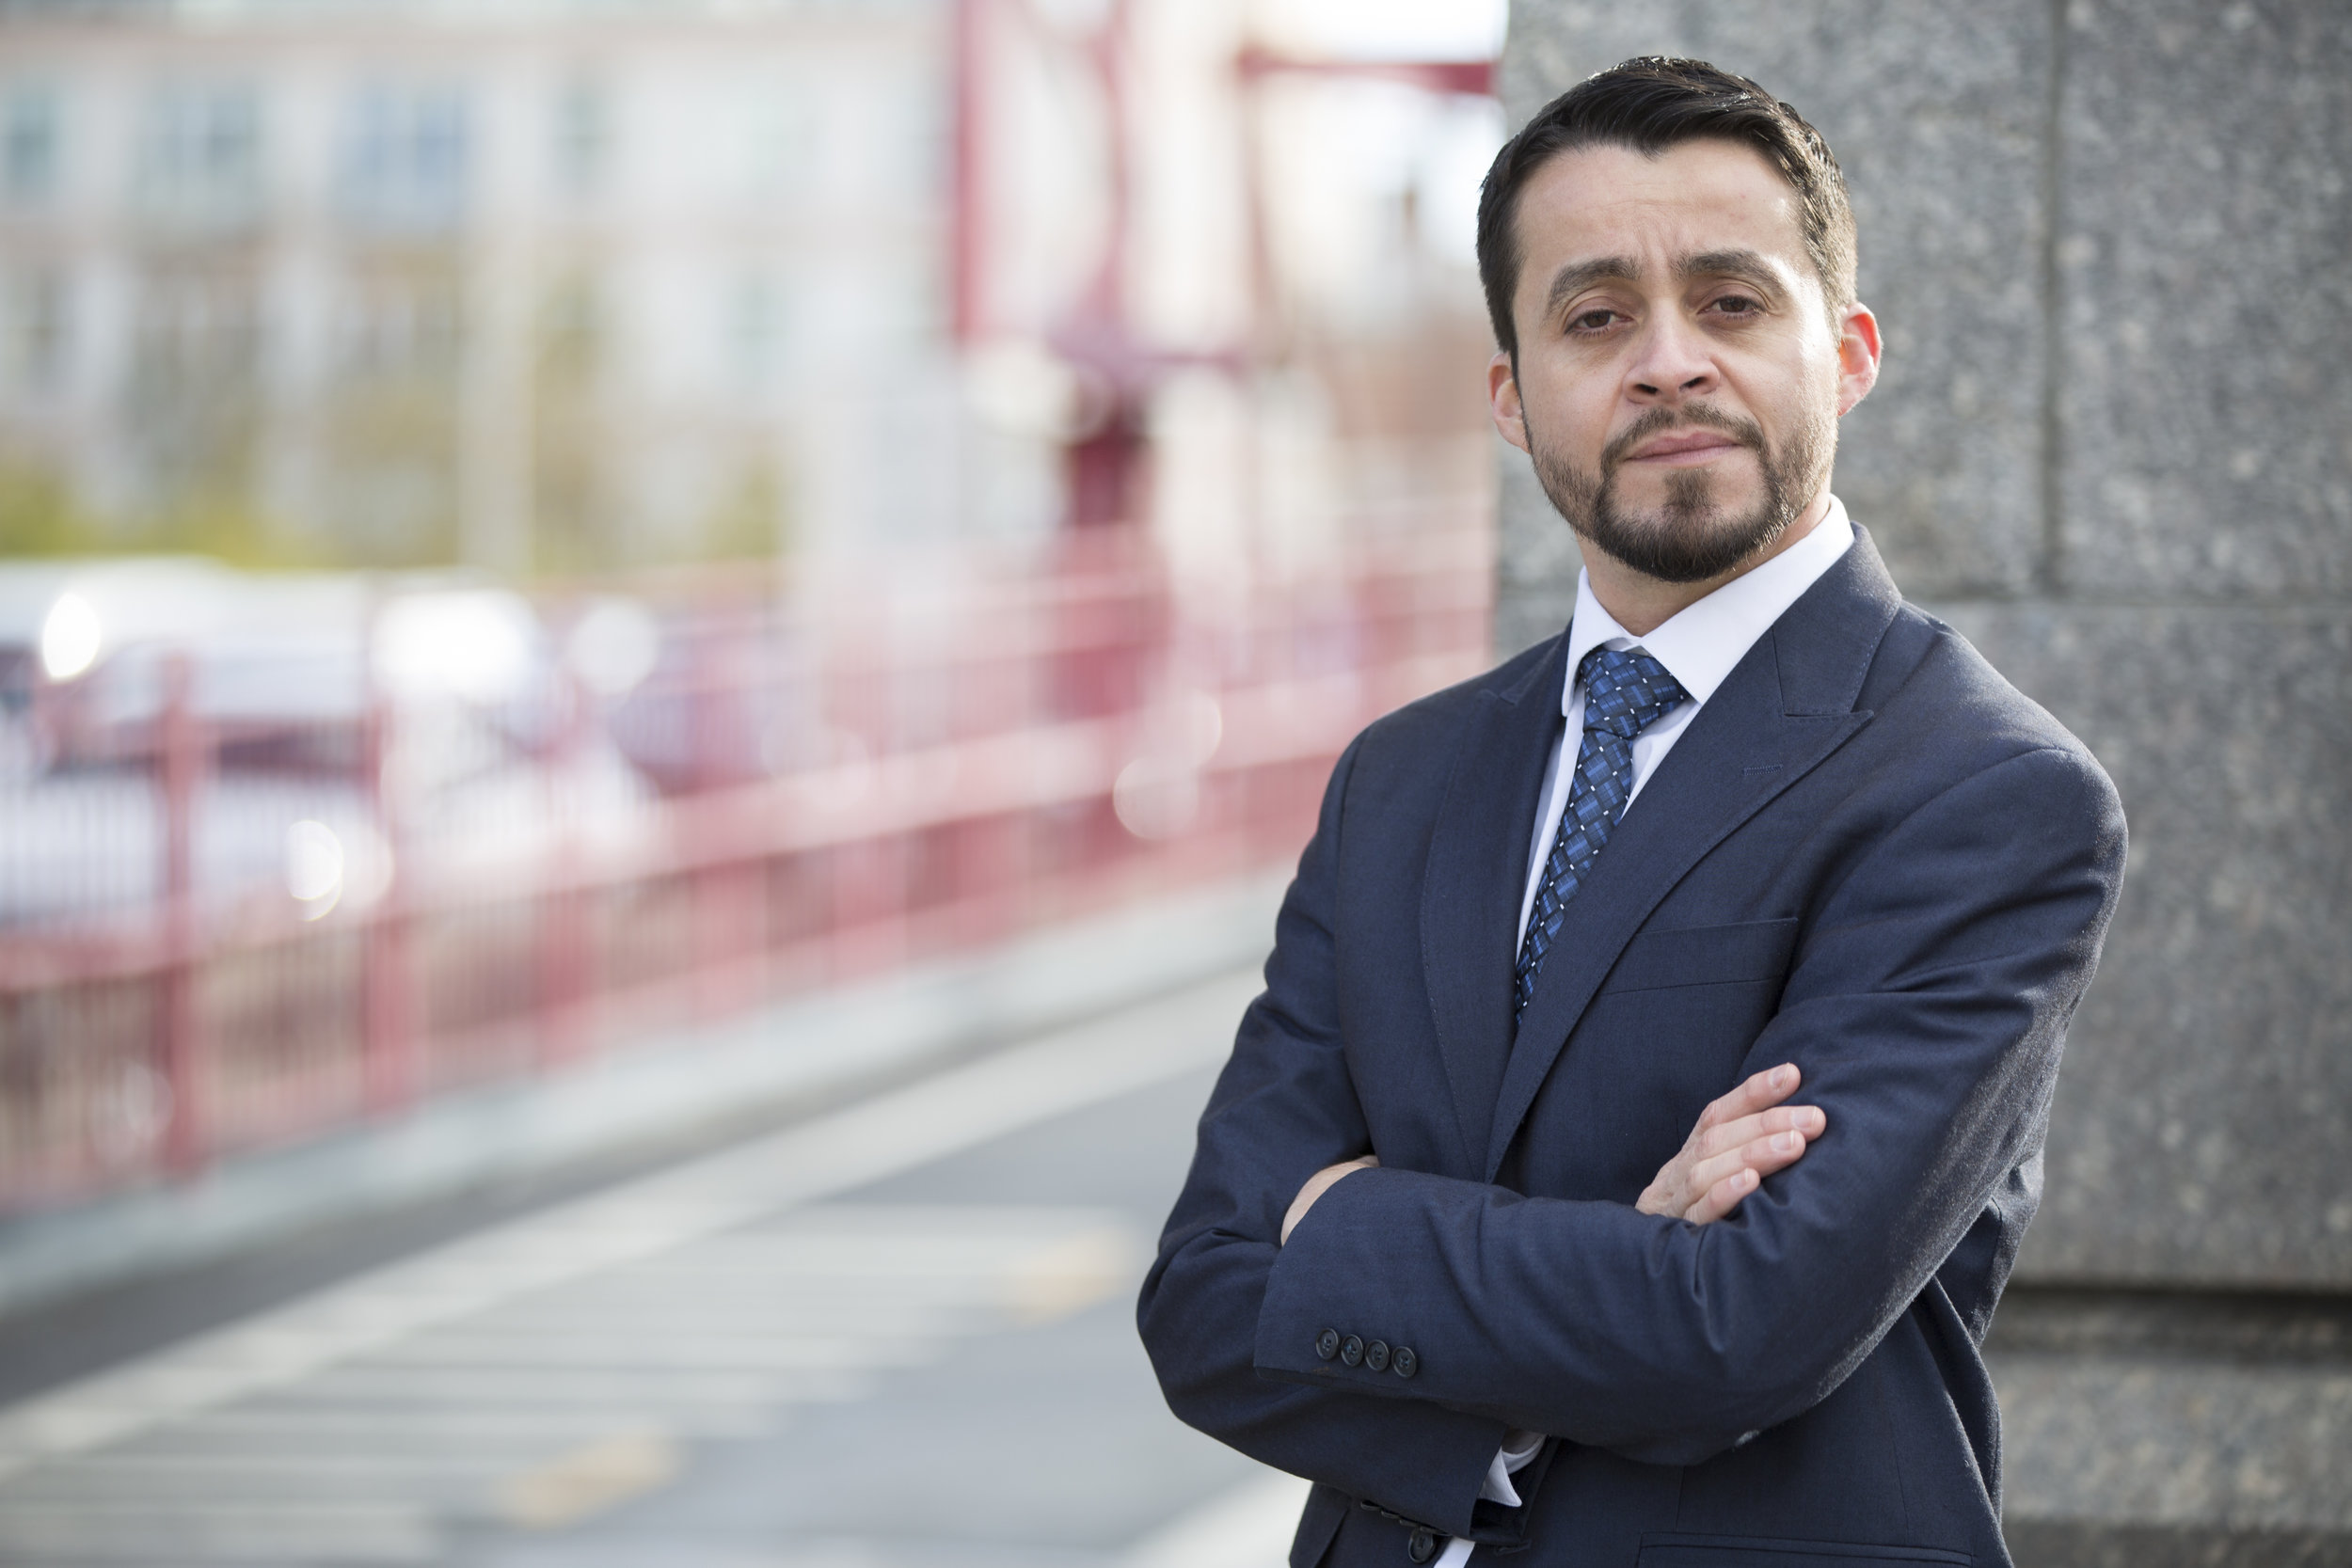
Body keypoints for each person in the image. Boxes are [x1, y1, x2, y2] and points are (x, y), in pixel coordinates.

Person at [1136, 56, 2126, 1568]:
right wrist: (1619, 1279)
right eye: (1595, 318)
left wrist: (1341, 1230)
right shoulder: (1401, 779)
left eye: (1731, 302)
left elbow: (1739, 1326)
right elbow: (1203, 1300)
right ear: (1511, 396)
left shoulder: (1985, 792)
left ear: (1848, 353)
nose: (1668, 363)